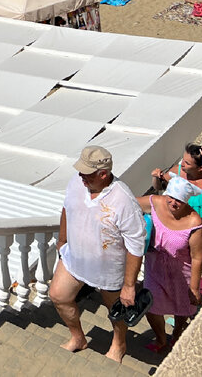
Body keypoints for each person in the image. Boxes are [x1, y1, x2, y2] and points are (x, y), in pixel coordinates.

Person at [49, 145, 146, 363]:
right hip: (75, 259)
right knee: (58, 295)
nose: (81, 177)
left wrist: (129, 286)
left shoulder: (124, 200)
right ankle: (78, 338)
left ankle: (119, 343)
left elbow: (136, 244)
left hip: (110, 271)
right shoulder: (77, 181)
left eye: (86, 174)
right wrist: (62, 240)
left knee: (116, 311)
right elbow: (67, 207)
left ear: (103, 174)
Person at [133, 176, 202, 354]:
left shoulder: (194, 222)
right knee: (150, 306)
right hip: (154, 268)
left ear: (186, 201)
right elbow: (128, 204)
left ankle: (178, 332)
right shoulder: (156, 202)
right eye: (170, 197)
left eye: (179, 200)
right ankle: (161, 338)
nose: (173, 203)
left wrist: (194, 287)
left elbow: (197, 257)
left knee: (182, 307)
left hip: (182, 274)